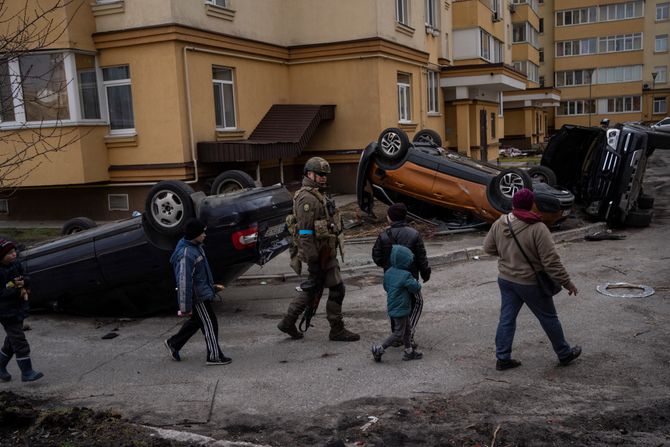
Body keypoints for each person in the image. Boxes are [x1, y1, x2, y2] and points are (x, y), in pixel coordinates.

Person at [483, 188, 581, 371]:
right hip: (530, 282)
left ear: (513, 204)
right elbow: (551, 261)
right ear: (531, 205)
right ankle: (564, 353)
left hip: (506, 280)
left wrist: (507, 254)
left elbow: (488, 248)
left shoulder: (500, 222)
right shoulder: (537, 227)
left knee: (506, 319)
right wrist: (568, 283)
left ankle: (503, 358)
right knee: (548, 317)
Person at [278, 157, 359, 342]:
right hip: (318, 254)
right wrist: (313, 260)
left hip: (325, 252)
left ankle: (288, 322)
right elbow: (305, 232)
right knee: (327, 288)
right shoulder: (307, 198)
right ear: (309, 174)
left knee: (317, 288)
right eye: (320, 174)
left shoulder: (318, 194)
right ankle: (335, 329)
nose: (323, 178)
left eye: (325, 175)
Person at [164, 218, 231, 365]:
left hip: (201, 292)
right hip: (197, 296)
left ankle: (174, 343)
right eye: (202, 233)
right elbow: (183, 282)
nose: (205, 235)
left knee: (197, 322)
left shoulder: (195, 246)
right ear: (195, 234)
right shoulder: (187, 254)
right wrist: (185, 307)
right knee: (210, 323)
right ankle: (214, 356)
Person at [372, 203, 430, 347]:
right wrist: (425, 273)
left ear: (390, 218)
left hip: (390, 277)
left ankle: (396, 333)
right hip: (410, 275)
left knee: (395, 302)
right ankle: (407, 335)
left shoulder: (383, 235)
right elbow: (421, 257)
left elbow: (376, 257)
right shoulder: (414, 234)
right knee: (413, 303)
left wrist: (388, 266)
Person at [0, 239, 43, 382]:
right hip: (6, 312)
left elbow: (26, 277)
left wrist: (24, 282)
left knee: (12, 340)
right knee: (19, 341)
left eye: (14, 252)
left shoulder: (16, 265)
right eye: (9, 253)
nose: (13, 255)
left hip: (18, 308)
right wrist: (14, 290)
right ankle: (27, 372)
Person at [371, 245, 423, 362]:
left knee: (407, 329)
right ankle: (379, 349)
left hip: (393, 305)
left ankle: (409, 351)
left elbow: (385, 287)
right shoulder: (406, 275)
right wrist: (415, 282)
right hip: (401, 308)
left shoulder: (389, 272)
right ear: (405, 261)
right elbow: (416, 288)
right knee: (398, 333)